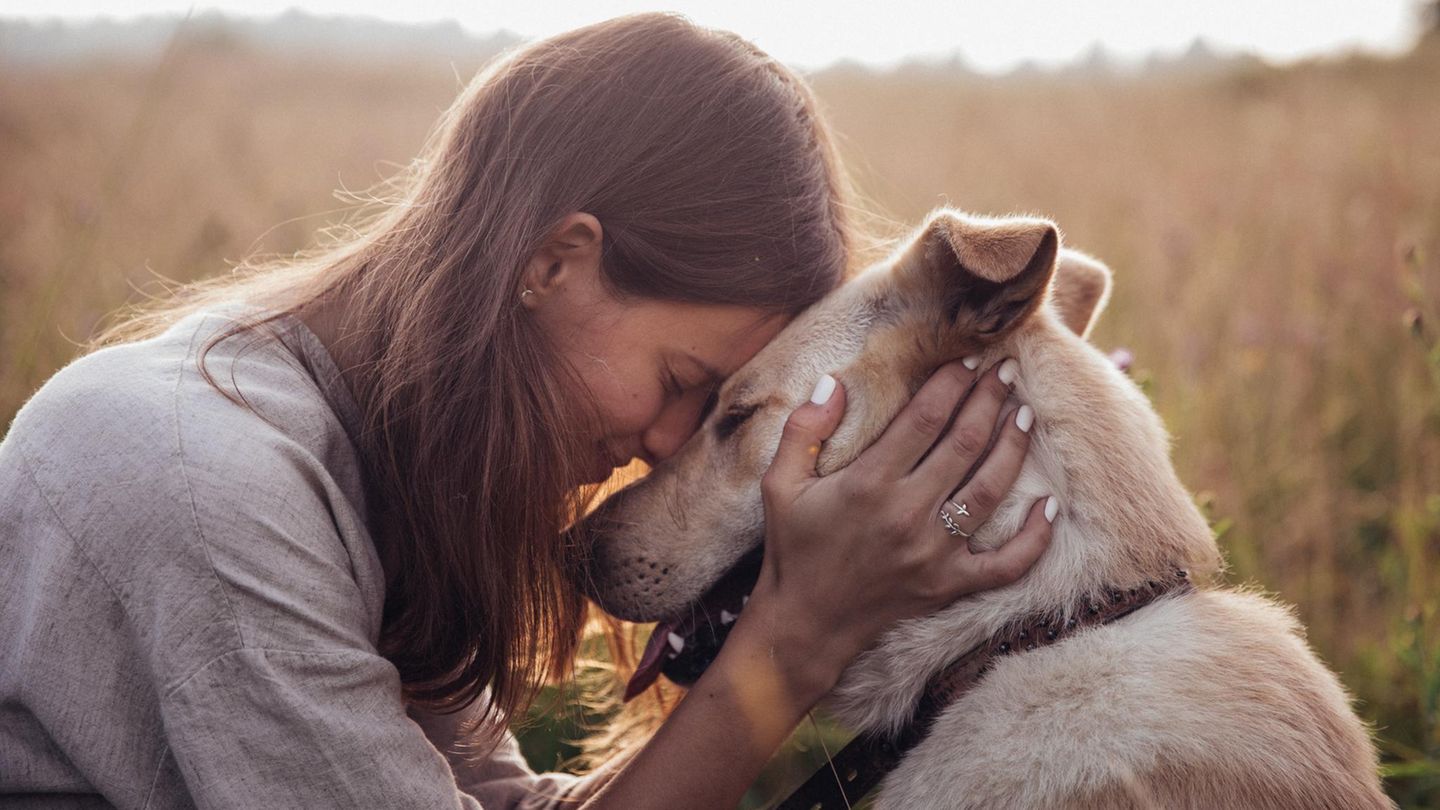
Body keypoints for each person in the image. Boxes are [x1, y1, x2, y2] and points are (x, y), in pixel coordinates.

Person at [0, 13, 1054, 809]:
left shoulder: (375, 455)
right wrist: (797, 637)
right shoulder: (204, 482)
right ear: (555, 261)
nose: (668, 443)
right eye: (685, 381)